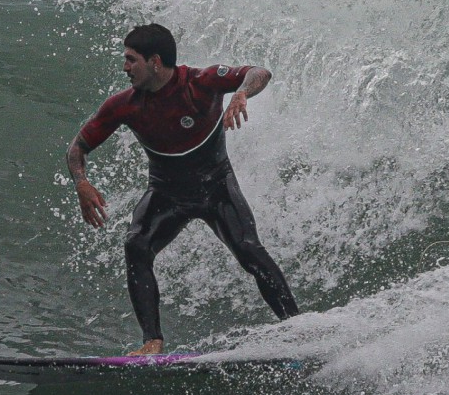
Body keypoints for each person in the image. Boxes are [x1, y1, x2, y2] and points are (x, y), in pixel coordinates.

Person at [67, 23, 300, 355]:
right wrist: (82, 182)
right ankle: (152, 342)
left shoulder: (201, 83)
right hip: (166, 194)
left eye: (132, 60)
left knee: (249, 249)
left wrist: (242, 92)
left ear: (156, 61)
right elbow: (77, 148)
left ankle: (296, 329)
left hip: (217, 187)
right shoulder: (124, 105)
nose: (125, 68)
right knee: (136, 245)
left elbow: (259, 72)